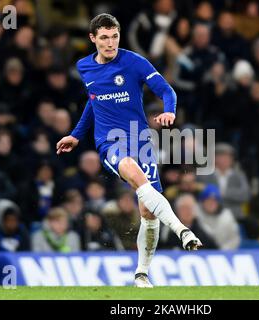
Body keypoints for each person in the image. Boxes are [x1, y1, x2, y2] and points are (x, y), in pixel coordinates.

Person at [55, 13, 202, 288]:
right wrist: (76, 135)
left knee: (148, 212)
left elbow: (167, 91)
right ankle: (182, 230)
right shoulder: (84, 67)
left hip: (141, 140)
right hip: (110, 142)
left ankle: (141, 274)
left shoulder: (134, 62)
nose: (110, 43)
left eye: (114, 37)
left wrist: (169, 112)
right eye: (104, 38)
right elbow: (94, 102)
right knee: (136, 177)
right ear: (92, 39)